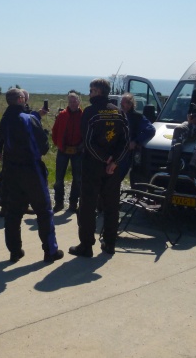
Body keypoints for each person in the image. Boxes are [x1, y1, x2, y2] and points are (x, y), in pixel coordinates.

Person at [0, 88, 63, 264]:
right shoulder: (28, 119)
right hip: (31, 170)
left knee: (13, 213)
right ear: (20, 99)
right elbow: (44, 147)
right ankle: (50, 251)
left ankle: (15, 251)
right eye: (23, 97)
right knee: (44, 211)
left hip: (11, 171)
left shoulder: (5, 119)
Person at [70, 78, 129, 257]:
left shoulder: (90, 111)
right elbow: (125, 142)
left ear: (98, 92)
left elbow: (87, 142)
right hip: (113, 168)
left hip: (93, 166)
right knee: (111, 206)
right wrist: (114, 162)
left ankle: (86, 245)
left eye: (91, 90)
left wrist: (105, 159)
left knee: (87, 206)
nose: (89, 94)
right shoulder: (119, 112)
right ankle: (110, 243)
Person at [51, 90, 83, 213]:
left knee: (77, 179)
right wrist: (58, 144)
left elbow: (86, 132)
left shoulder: (83, 115)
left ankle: (73, 203)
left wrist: (81, 146)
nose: (73, 103)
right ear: (68, 103)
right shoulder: (62, 115)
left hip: (78, 151)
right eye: (71, 101)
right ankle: (59, 203)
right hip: (63, 150)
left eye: (75, 101)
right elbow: (55, 131)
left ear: (79, 102)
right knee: (59, 179)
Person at [118, 92, 156, 182]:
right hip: (115, 150)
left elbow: (150, 130)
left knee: (117, 178)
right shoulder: (117, 115)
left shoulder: (137, 117)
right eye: (121, 102)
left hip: (126, 153)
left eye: (125, 102)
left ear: (131, 104)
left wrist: (136, 141)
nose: (122, 104)